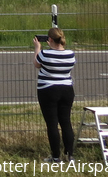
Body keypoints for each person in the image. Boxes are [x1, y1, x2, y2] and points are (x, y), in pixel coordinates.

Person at [33, 28, 75, 162]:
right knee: (66, 122)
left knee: (52, 124)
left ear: (49, 40)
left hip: (48, 90)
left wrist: (37, 48)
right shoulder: (70, 54)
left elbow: (36, 64)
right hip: (67, 90)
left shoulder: (44, 54)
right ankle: (70, 155)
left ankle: (56, 156)